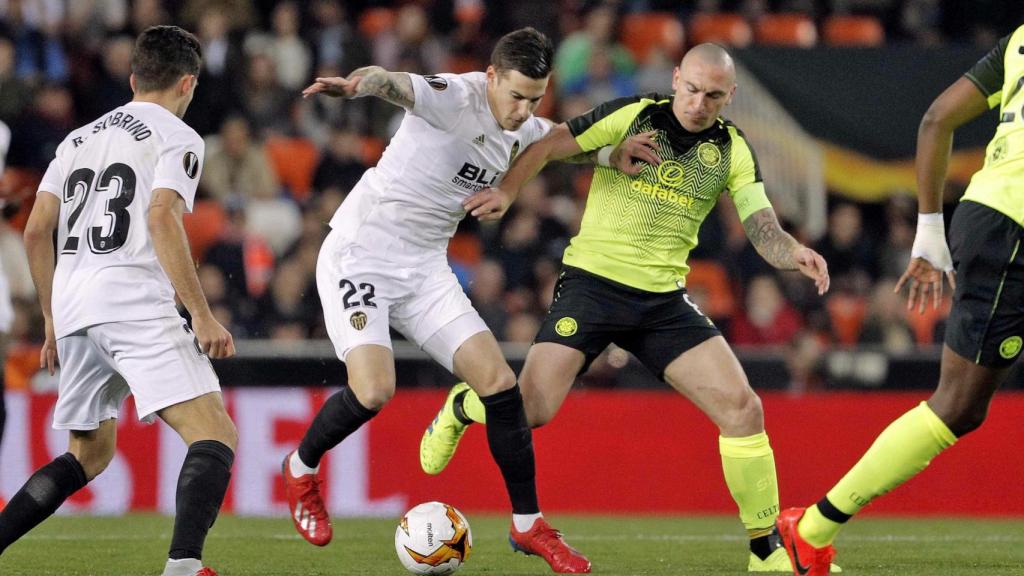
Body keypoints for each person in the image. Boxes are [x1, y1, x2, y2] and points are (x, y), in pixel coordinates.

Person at [420, 43, 836, 573]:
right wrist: (507, 190)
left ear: (729, 96)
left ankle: (764, 553)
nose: (699, 103)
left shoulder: (733, 148)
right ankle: (464, 406)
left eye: (713, 95)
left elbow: (760, 223)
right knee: (533, 411)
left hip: (662, 301)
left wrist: (792, 250)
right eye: (691, 89)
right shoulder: (634, 113)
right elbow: (551, 142)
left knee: (743, 409)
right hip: (593, 286)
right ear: (676, 77)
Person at [281, 27, 637, 574]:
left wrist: (613, 154)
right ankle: (301, 468)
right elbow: (396, 84)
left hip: (424, 268)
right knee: (375, 390)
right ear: (491, 77)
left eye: (534, 98)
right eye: (515, 95)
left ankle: (527, 526)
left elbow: (554, 142)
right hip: (362, 254)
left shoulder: (522, 121)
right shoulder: (455, 95)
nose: (522, 110)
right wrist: (359, 86)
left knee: (500, 386)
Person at [777, 24, 1024, 576]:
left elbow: (937, 117)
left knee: (963, 406)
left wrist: (931, 230)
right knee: (957, 405)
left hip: (990, 216)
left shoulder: (1019, 40)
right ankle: (811, 530)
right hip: (1014, 228)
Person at [3, 26, 237, 576]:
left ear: (133, 78)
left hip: (75, 306)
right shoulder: (179, 137)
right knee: (214, 433)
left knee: (89, 454)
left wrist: (51, 321)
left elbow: (36, 230)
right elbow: (160, 216)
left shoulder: (76, 138)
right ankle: (183, 567)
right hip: (131, 297)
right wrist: (201, 314)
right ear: (188, 83)